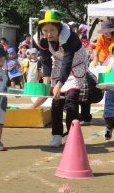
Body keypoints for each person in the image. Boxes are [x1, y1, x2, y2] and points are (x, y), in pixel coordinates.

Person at [31, 9, 88, 147]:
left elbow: (68, 62)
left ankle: (71, 134)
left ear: (59, 28)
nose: (48, 34)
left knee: (71, 99)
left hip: (76, 65)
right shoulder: (41, 40)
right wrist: (46, 82)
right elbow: (45, 60)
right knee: (56, 102)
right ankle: (56, 134)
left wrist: (59, 84)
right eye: (45, 30)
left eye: (52, 30)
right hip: (58, 65)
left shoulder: (69, 37)